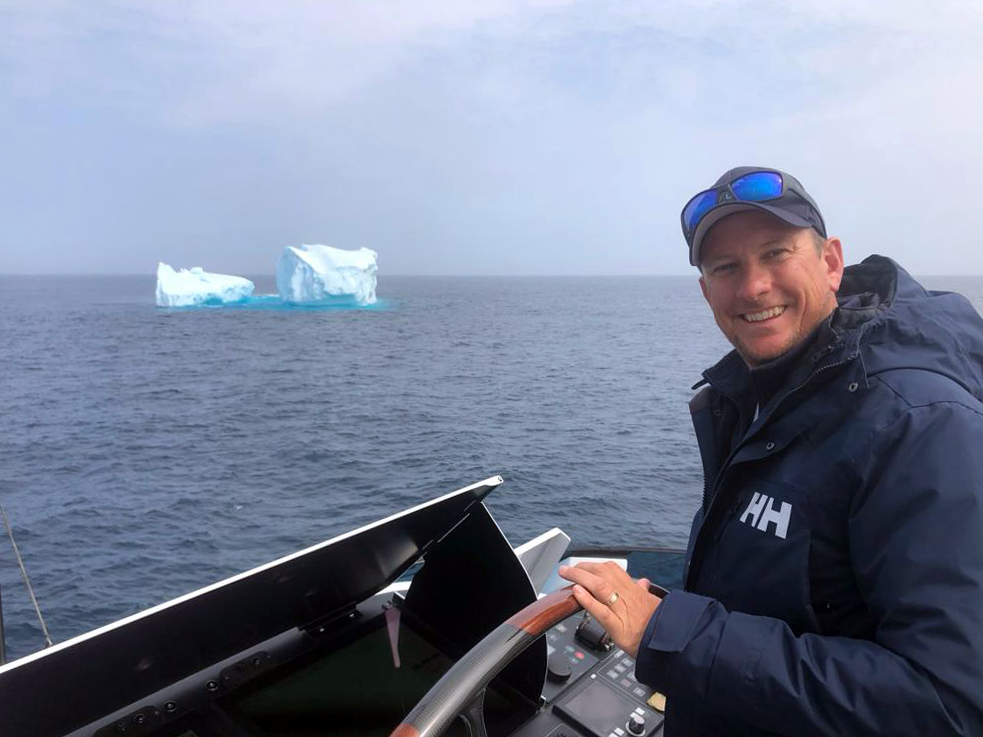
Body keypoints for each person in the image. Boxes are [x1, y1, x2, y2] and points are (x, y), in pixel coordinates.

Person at [560, 166, 983, 736]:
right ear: (706, 291)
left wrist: (668, 631)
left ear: (831, 263)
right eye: (726, 267)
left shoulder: (919, 423)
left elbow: (948, 703)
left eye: (776, 253)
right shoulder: (761, 395)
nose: (753, 286)